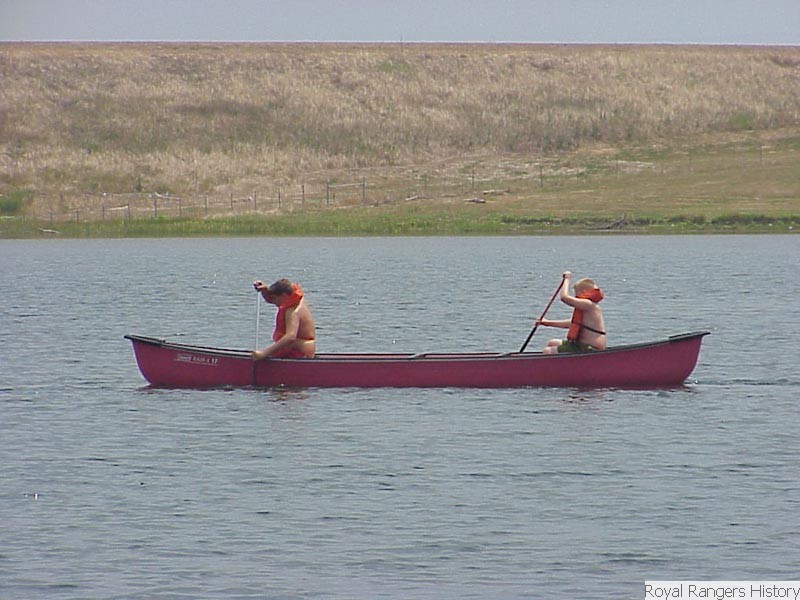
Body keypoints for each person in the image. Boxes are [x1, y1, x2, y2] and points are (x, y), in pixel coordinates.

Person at [535, 271, 607, 354]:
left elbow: (564, 297)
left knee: (548, 351)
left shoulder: (588, 304)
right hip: (580, 345)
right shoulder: (586, 306)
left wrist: (567, 279)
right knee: (552, 342)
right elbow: (573, 323)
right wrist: (547, 323)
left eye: (576, 293)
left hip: (589, 347)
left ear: (584, 292)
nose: (575, 296)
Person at [252, 278, 316, 360]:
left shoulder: (293, 312)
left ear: (284, 296)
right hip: (294, 349)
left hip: (300, 353)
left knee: (268, 355)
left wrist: (264, 353)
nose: (273, 301)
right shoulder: (293, 297)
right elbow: (272, 299)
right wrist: (265, 291)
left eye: (274, 298)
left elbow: (290, 337)